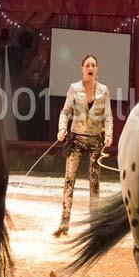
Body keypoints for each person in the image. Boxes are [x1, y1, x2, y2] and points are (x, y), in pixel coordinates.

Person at [53, 54, 113, 237]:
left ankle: (93, 224)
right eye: (88, 65)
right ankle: (65, 221)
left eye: (94, 65)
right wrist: (62, 130)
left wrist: (109, 134)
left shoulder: (103, 90)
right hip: (77, 139)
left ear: (97, 69)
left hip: (95, 140)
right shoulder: (74, 89)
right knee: (69, 180)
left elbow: (108, 116)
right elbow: (65, 112)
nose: (91, 67)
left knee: (94, 183)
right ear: (82, 68)